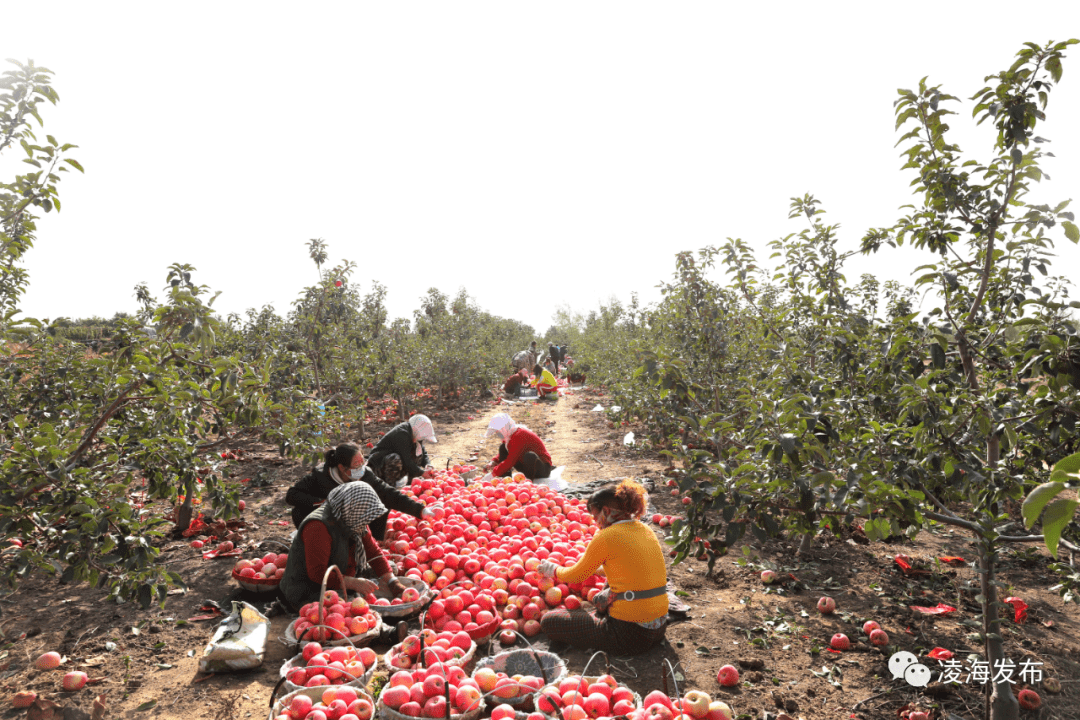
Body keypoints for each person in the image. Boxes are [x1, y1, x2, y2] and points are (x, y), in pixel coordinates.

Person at [538, 480, 668, 655]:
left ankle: (603, 625)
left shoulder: (606, 536)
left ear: (606, 511)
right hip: (658, 628)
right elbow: (625, 566)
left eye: (594, 516)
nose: (595, 522)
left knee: (549, 621)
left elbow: (575, 576)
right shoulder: (645, 529)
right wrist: (593, 569)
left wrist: (552, 569)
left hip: (629, 635)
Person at [279, 482, 410, 642]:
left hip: (342, 569)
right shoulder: (318, 526)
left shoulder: (352, 518)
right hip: (309, 586)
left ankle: (368, 601)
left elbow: (373, 552)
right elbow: (318, 573)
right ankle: (385, 633)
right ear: (352, 508)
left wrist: (392, 581)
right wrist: (352, 582)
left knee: (392, 569)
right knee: (344, 606)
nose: (366, 521)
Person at [285, 444, 438, 539]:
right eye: (355, 465)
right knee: (299, 512)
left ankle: (372, 542)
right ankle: (317, 539)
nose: (360, 468)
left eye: (361, 462)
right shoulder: (320, 476)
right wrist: (321, 503)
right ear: (341, 468)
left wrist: (420, 510)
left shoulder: (365, 474)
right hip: (329, 519)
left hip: (352, 519)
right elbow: (292, 495)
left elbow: (389, 494)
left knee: (381, 504)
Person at [365, 415, 437, 485]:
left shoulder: (414, 433)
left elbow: (422, 451)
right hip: (379, 466)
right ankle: (392, 485)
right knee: (394, 458)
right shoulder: (402, 434)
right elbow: (406, 460)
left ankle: (407, 481)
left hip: (397, 464)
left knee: (417, 454)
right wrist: (422, 473)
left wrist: (428, 465)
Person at [483, 412, 553, 480]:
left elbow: (511, 460)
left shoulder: (519, 435)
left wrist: (493, 474)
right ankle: (506, 479)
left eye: (498, 431)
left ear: (504, 427)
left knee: (529, 456)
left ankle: (528, 482)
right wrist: (494, 461)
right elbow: (509, 450)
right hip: (528, 467)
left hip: (543, 469)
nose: (497, 434)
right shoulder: (511, 434)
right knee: (503, 447)